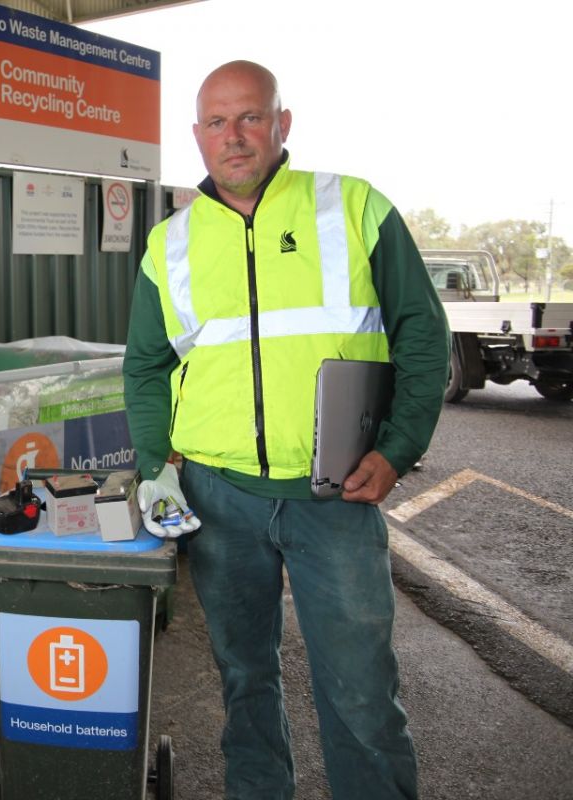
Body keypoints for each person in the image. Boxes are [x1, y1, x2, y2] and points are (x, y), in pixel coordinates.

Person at [123, 60, 449, 799]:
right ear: (197, 136)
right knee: (244, 680)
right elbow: (144, 368)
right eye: (216, 122)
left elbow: (422, 337)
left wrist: (398, 450)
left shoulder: (353, 207)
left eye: (250, 117)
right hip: (218, 498)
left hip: (334, 495)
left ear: (282, 124)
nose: (233, 136)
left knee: (361, 691)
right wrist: (155, 465)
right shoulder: (169, 244)